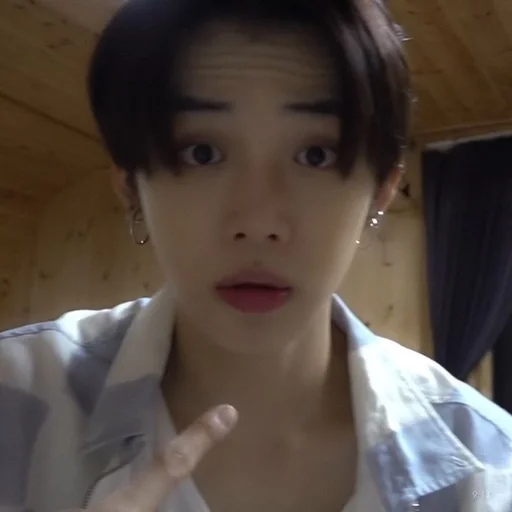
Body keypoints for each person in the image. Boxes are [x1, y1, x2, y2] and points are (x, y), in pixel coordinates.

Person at [1, 0, 511, 510]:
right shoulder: (15, 400)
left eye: (316, 155)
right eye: (202, 153)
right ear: (132, 187)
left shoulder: (491, 468)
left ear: (379, 193)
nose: (258, 222)